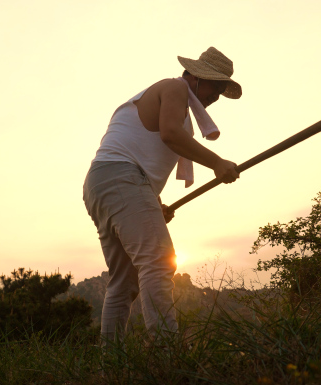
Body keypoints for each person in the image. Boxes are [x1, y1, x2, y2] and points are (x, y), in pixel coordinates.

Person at [83, 47, 241, 344]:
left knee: (124, 281)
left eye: (221, 90)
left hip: (103, 182)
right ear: (195, 76)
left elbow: (140, 152)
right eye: (215, 85)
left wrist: (154, 205)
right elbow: (169, 134)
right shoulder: (173, 87)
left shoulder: (175, 102)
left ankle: (112, 365)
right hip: (120, 178)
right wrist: (217, 163)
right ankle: (166, 355)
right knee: (158, 261)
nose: (216, 96)